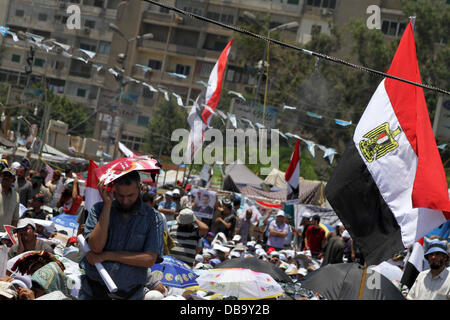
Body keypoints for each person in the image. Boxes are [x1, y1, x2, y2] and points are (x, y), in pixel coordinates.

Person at [79, 170, 164, 300]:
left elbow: (149, 259)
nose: (125, 201)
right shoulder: (99, 209)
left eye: (131, 195)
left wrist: (108, 255)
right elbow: (96, 247)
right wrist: (107, 206)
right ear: (113, 190)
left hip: (130, 295)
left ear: (140, 189)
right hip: (92, 291)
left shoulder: (153, 218)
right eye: (120, 195)